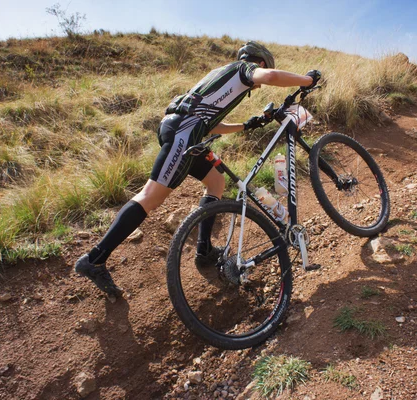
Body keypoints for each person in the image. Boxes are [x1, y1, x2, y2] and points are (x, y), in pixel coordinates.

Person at [74, 41, 321, 298]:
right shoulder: (244, 69)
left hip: (186, 128)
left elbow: (210, 123)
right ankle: (95, 259)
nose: (257, 85)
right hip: (185, 132)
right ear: (259, 62)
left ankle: (203, 251)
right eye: (259, 75)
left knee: (216, 182)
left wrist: (246, 126)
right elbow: (269, 77)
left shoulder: (222, 77)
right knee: (151, 196)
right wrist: (306, 80)